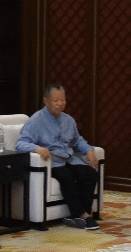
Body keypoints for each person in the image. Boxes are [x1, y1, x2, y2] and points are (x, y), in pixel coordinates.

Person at [16, 84, 101, 229]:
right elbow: (20, 143)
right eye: (56, 100)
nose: (60, 103)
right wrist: (37, 148)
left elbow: (77, 141)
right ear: (46, 101)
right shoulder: (36, 120)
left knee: (90, 173)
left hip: (69, 159)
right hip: (52, 162)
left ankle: (82, 214)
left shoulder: (68, 120)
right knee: (66, 176)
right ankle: (83, 215)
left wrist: (89, 150)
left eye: (63, 100)